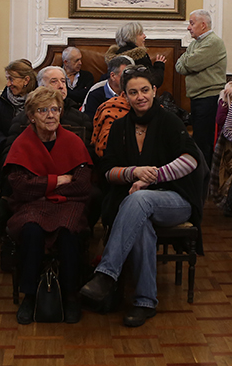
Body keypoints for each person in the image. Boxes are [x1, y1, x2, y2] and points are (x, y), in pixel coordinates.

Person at [79, 67, 204, 328]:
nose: (140, 97)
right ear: (125, 95)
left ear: (154, 91)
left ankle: (106, 275)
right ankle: (145, 301)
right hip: (134, 202)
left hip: (175, 200)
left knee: (140, 199)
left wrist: (153, 177)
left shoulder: (169, 121)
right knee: (141, 220)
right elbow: (107, 171)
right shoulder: (119, 127)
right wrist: (132, 173)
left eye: (145, 90)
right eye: (133, 92)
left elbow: (191, 160)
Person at [6, 87, 95, 325]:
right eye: (43, 110)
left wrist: (45, 190)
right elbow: (20, 188)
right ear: (32, 116)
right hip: (31, 205)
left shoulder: (73, 141)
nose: (50, 115)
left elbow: (83, 186)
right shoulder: (22, 143)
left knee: (68, 231)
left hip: (68, 205)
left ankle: (70, 296)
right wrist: (57, 180)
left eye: (55, 109)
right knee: (32, 230)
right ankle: (30, 295)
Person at [174, 9, 227, 167]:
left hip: (208, 99)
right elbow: (179, 66)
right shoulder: (197, 43)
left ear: (203, 25)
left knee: (203, 143)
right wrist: (186, 58)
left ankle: (205, 183)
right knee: (198, 140)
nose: (189, 27)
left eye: (192, 23)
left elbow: (188, 64)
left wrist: (186, 58)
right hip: (198, 98)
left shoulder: (213, 42)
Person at [0, 60, 37, 149]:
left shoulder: (39, 100)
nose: (8, 84)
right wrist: (3, 144)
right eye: (7, 79)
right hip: (7, 149)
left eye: (11, 79)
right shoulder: (5, 98)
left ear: (26, 80)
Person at [107, 22, 166, 87]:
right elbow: (154, 82)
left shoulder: (115, 56)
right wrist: (159, 65)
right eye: (141, 34)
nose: (144, 36)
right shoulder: (140, 57)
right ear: (131, 37)